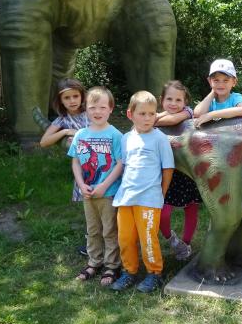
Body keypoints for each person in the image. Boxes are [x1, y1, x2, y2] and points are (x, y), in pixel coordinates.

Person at [109, 91, 175, 293]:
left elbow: (168, 168)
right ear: (131, 114)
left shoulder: (160, 139)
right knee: (125, 238)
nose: (148, 118)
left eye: (152, 114)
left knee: (148, 238)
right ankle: (129, 271)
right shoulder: (126, 138)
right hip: (125, 198)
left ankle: (154, 273)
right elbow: (124, 166)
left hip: (149, 199)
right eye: (142, 114)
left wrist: (161, 194)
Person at [68, 86, 124, 287]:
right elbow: (75, 161)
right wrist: (81, 184)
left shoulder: (115, 135)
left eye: (102, 107)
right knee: (92, 230)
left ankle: (112, 265)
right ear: (86, 109)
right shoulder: (80, 134)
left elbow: (120, 163)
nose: (97, 112)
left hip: (108, 192)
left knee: (110, 230)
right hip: (88, 192)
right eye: (92, 107)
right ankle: (94, 262)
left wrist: (104, 185)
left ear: (110, 109)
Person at [39, 78, 90, 256]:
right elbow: (44, 142)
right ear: (60, 101)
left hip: (104, 166)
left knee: (107, 206)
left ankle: (111, 241)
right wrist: (65, 132)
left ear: (82, 96)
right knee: (89, 208)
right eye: (67, 98)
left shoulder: (92, 113)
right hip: (83, 171)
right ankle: (91, 244)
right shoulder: (62, 121)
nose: (72, 101)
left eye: (75, 96)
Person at [156, 80, 201, 261]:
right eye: (169, 99)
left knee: (191, 208)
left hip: (188, 171)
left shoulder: (187, 113)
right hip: (166, 174)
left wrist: (152, 118)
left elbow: (174, 119)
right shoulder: (156, 117)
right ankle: (173, 240)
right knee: (163, 212)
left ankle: (187, 243)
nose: (173, 104)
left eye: (178, 100)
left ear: (185, 102)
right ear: (162, 100)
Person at [193, 58, 242, 127]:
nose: (220, 85)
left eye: (226, 80)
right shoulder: (211, 102)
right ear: (210, 81)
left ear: (234, 82)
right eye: (216, 80)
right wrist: (212, 93)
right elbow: (197, 114)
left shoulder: (235, 97)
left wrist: (212, 114)